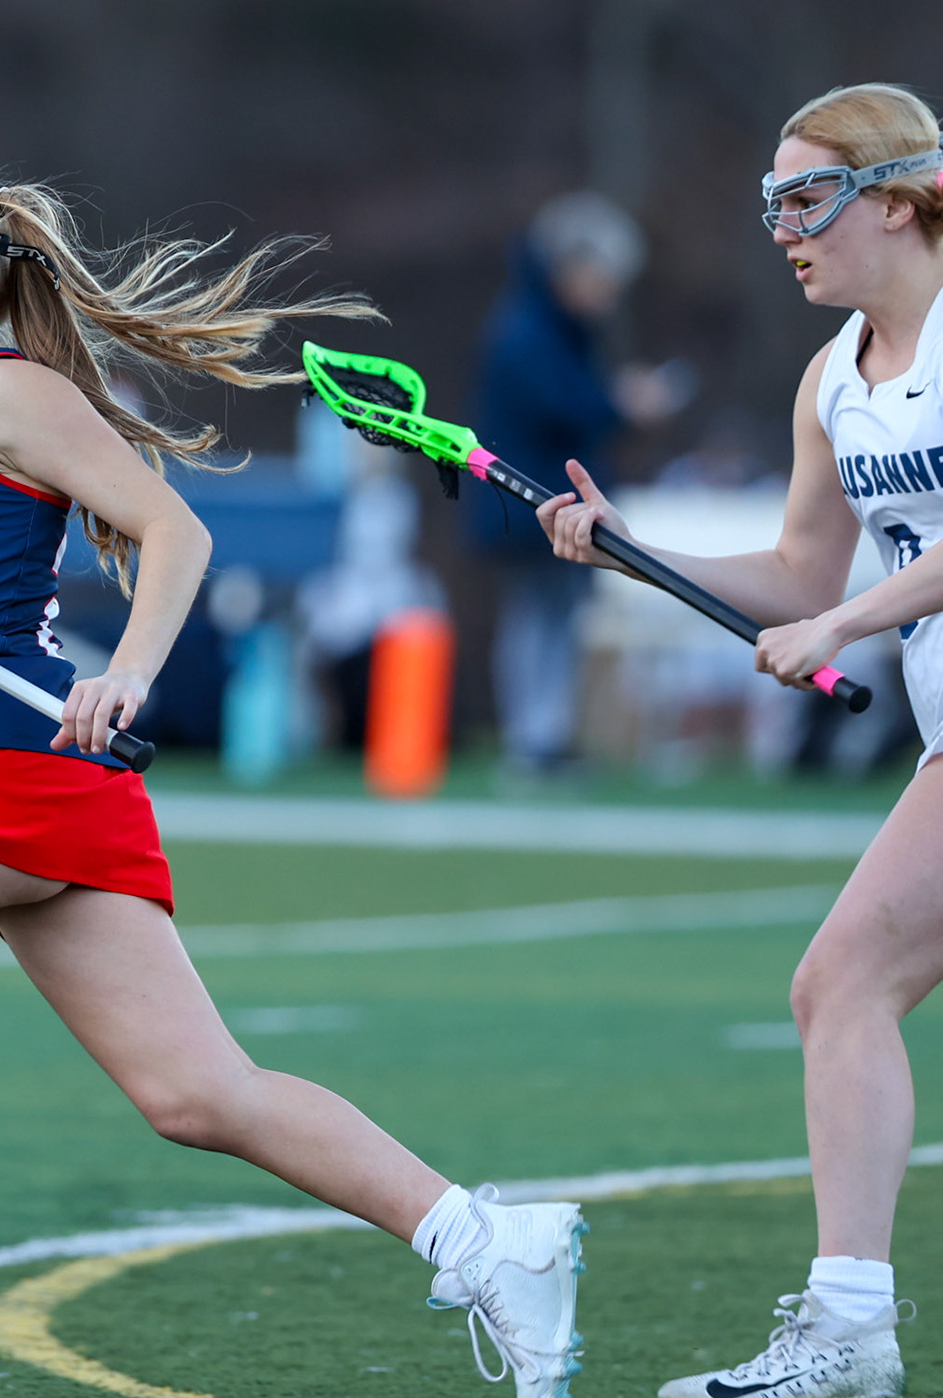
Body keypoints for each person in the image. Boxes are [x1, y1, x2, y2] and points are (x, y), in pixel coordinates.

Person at [0, 161, 587, 1394]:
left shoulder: (2, 393)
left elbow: (176, 528)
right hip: (30, 784)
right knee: (198, 1095)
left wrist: (126, 672)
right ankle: (492, 1240)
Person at [539, 84, 943, 1398]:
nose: (783, 226)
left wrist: (847, 618)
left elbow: (857, 588)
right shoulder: (834, 380)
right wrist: (636, 554)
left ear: (897, 197)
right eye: (769, 199)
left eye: (807, 196)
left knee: (843, 984)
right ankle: (850, 1333)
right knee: (841, 986)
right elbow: (794, 568)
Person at [470, 191, 684, 776]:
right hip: (530, 502)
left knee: (556, 616)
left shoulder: (553, 327)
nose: (608, 293)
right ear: (572, 268)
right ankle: (533, 737)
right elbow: (561, 408)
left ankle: (548, 732)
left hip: (548, 499)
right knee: (536, 615)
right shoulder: (526, 330)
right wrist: (623, 403)